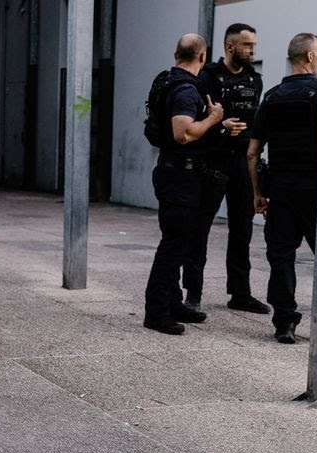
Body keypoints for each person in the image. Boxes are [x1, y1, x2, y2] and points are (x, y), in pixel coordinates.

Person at [183, 23, 269, 315]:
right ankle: (192, 294)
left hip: (244, 163)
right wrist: (220, 126)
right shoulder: (206, 77)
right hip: (213, 161)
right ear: (230, 47)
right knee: (200, 228)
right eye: (248, 45)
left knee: (242, 230)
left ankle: (240, 293)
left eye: (254, 45)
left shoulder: (254, 80)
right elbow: (192, 123)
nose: (253, 50)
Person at [143, 34, 226, 335]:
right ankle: (156, 312)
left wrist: (213, 123)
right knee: (173, 245)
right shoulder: (186, 90)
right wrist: (214, 119)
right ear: (202, 57)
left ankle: (174, 302)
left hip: (173, 173)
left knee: (178, 241)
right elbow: (183, 133)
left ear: (175, 53)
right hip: (180, 177)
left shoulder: (169, 81)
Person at [246, 33, 317, 344]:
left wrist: (257, 193)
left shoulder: (272, 97)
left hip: (280, 189)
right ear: (309, 57)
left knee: (281, 256)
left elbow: (252, 152)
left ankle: (284, 322)